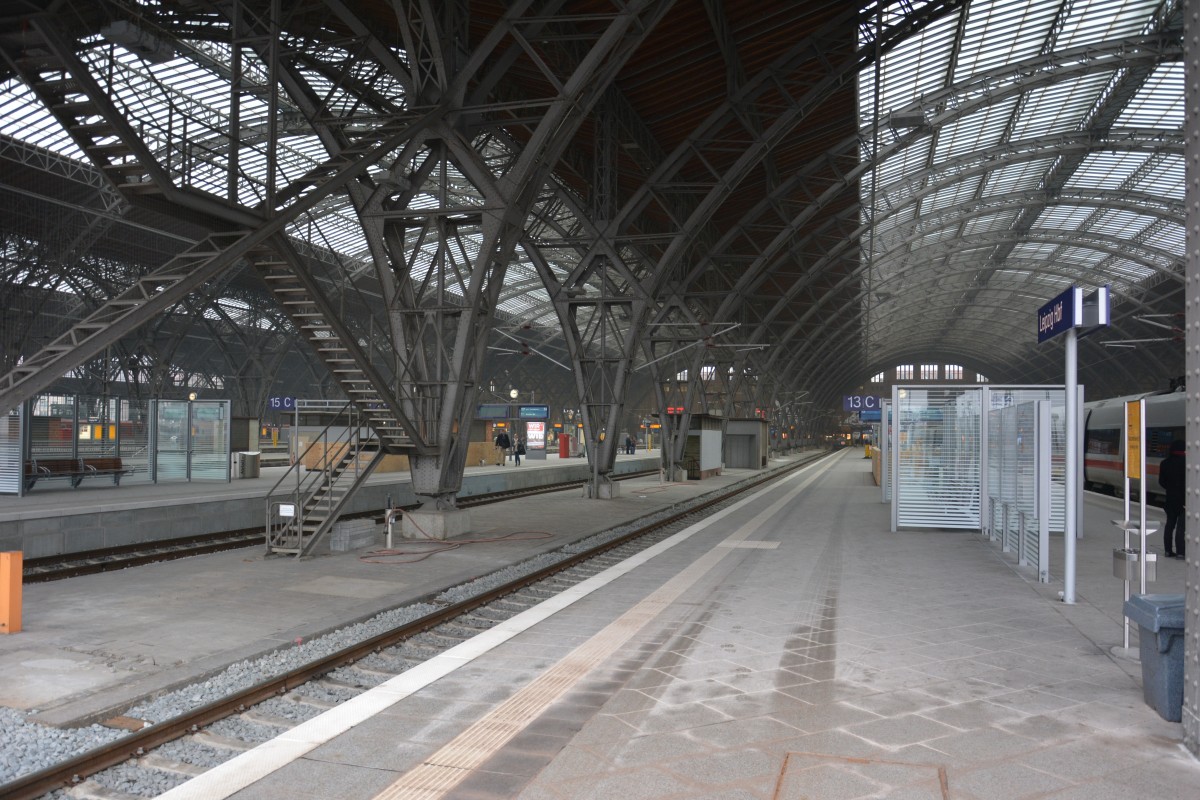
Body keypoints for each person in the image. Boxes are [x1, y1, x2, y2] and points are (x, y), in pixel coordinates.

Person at [1158, 440, 1186, 559]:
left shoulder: (1164, 463)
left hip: (1170, 499)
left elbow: (1161, 482)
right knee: (1181, 527)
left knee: (1170, 525)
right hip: (1184, 499)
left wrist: (1170, 488)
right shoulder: (1186, 463)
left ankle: (1168, 551)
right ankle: (1180, 552)